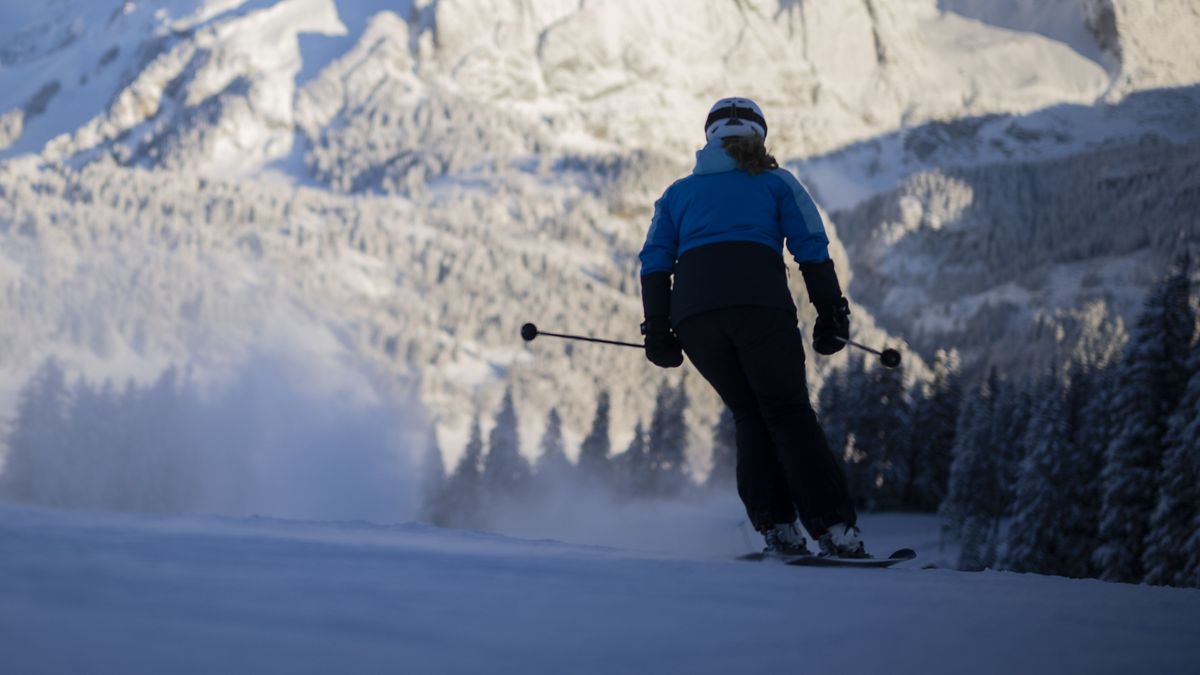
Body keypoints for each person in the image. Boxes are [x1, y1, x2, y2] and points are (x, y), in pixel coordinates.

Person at [638, 97, 866, 558]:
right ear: (760, 136)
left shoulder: (678, 193)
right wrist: (831, 313)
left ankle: (777, 528)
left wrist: (658, 329)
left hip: (695, 317)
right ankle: (834, 531)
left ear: (709, 138)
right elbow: (812, 248)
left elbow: (655, 262)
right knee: (787, 413)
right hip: (759, 308)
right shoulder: (777, 182)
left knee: (750, 415)